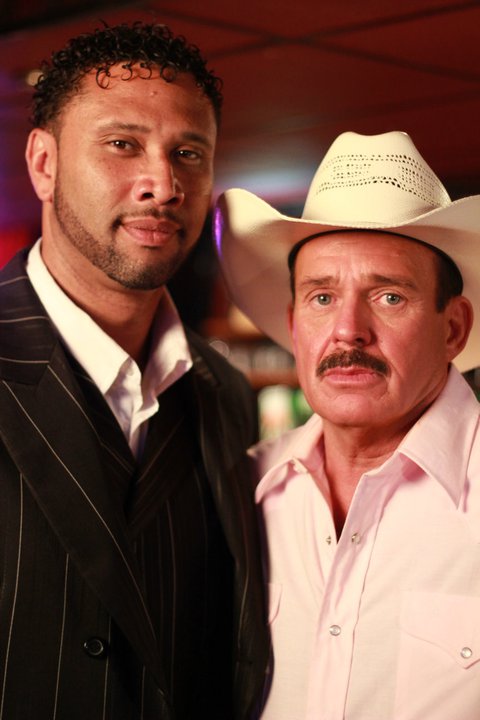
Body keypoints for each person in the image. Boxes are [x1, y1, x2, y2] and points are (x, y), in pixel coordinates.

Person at [0, 22, 269, 720]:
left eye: (189, 152)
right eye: (123, 145)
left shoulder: (226, 393)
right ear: (44, 163)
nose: (163, 182)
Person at [215, 130, 480, 720]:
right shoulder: (243, 492)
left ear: (453, 330)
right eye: (321, 298)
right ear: (293, 323)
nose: (348, 331)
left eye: (389, 297)